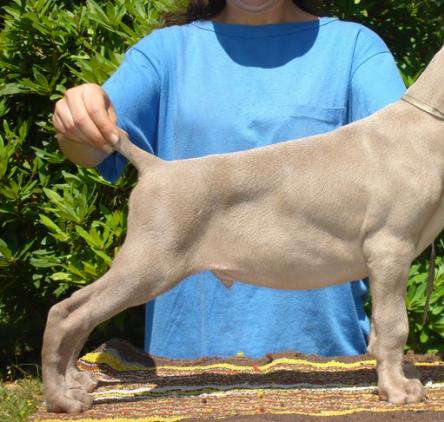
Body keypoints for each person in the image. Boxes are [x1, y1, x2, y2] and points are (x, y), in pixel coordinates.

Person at [52, 0, 406, 359]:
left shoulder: (354, 48)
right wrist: (77, 122)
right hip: (186, 367)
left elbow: (406, 146)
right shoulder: (165, 53)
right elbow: (90, 149)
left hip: (329, 360)